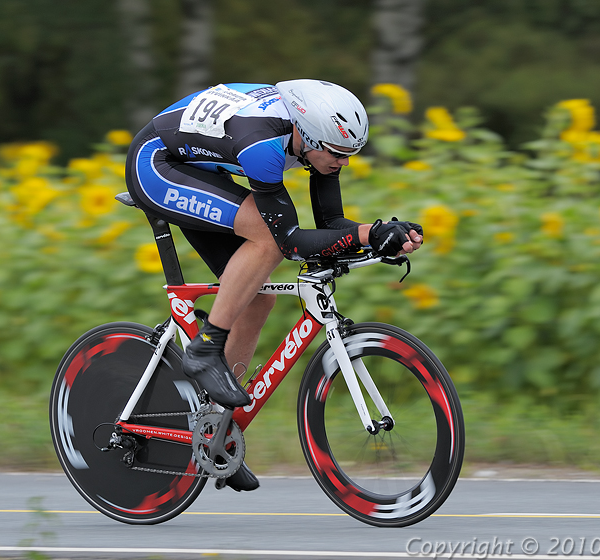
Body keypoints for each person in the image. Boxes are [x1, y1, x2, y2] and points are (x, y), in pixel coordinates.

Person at [124, 80, 423, 491]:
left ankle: (217, 432)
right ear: (310, 136)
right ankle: (206, 348)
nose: (344, 163)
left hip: (198, 167)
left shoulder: (314, 140)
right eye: (337, 154)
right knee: (268, 240)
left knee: (256, 299)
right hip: (156, 164)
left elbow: (332, 226)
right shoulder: (264, 146)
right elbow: (292, 241)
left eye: (351, 154)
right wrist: (367, 235)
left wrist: (384, 234)